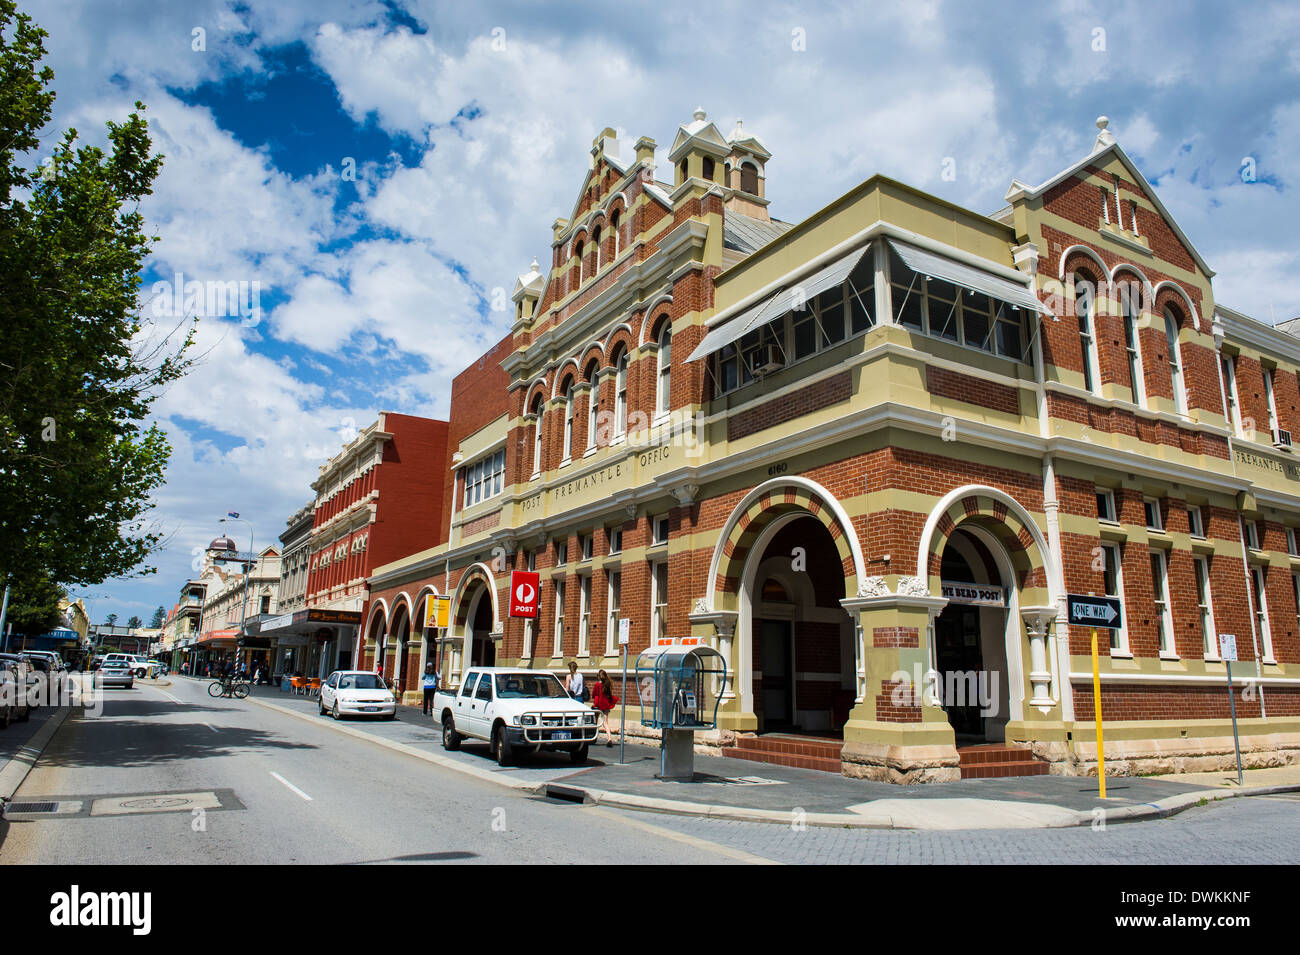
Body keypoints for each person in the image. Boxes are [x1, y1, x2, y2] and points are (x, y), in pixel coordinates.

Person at [590, 669, 619, 747]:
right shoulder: (607, 684)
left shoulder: (597, 685)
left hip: (598, 705)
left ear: (599, 677)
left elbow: (594, 695)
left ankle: (594, 737)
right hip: (606, 705)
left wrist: (594, 705)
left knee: (595, 722)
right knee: (605, 723)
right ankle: (609, 738)